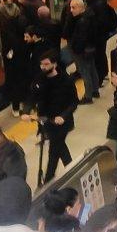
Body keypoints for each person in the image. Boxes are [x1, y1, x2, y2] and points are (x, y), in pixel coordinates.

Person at [30, 51, 79, 182]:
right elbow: (33, 97)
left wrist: (63, 116)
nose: (43, 67)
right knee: (58, 148)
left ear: (54, 64)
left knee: (55, 148)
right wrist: (27, 111)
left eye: (46, 64)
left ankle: (49, 179)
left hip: (62, 123)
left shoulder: (66, 80)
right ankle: (72, 171)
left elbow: (74, 101)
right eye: (41, 64)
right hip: (47, 121)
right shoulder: (39, 80)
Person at [64, 0, 101, 104]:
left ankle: (88, 96)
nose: (71, 10)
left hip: (82, 50)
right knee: (92, 68)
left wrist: (76, 49)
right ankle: (95, 90)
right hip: (90, 48)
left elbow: (80, 38)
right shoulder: (90, 16)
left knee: (84, 71)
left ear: (81, 7)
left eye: (73, 7)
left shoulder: (82, 21)